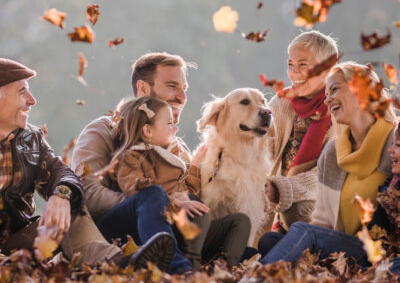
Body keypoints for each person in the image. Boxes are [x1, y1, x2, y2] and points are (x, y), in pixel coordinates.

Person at [72, 52, 250, 272]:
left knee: (251, 247)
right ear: (143, 89)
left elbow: (192, 203)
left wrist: (202, 172)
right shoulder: (103, 130)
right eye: (172, 86)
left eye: (184, 89)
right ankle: (178, 268)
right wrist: (160, 203)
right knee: (154, 194)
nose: (182, 97)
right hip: (119, 233)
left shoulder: (177, 149)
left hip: (173, 231)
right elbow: (87, 193)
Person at [0, 58, 176, 271]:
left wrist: (62, 194)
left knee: (68, 207)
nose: (32, 100)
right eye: (22, 92)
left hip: (16, 241)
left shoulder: (31, 139)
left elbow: (61, 173)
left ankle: (121, 261)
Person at [259, 61, 397, 265]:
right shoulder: (333, 153)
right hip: (340, 251)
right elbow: (322, 220)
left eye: (334, 90)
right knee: (271, 240)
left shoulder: (393, 144)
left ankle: (254, 277)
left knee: (301, 232)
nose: (327, 100)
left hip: (378, 251)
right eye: (326, 94)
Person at [263, 31, 339, 237]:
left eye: (303, 65)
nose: (294, 72)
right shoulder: (282, 103)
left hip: (326, 203)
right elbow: (262, 149)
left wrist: (281, 188)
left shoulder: (337, 109)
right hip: (279, 197)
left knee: (299, 208)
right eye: (290, 64)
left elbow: (328, 174)